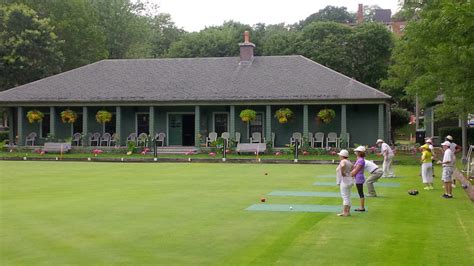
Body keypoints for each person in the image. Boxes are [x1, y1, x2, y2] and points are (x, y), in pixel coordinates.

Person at [336, 149, 353, 217]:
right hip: (349, 180)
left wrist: (343, 172)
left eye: (340, 155)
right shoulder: (349, 162)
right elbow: (353, 167)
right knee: (348, 196)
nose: (339, 156)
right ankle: (347, 212)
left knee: (345, 197)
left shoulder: (343, 161)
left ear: (342, 156)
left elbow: (342, 166)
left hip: (344, 181)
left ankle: (345, 212)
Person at [352, 146, 366, 212]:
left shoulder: (361, 160)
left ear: (360, 152)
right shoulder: (359, 159)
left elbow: (356, 170)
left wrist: (349, 175)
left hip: (359, 178)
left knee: (360, 193)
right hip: (358, 177)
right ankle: (361, 207)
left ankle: (362, 207)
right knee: (360, 192)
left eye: (357, 151)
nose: (355, 152)